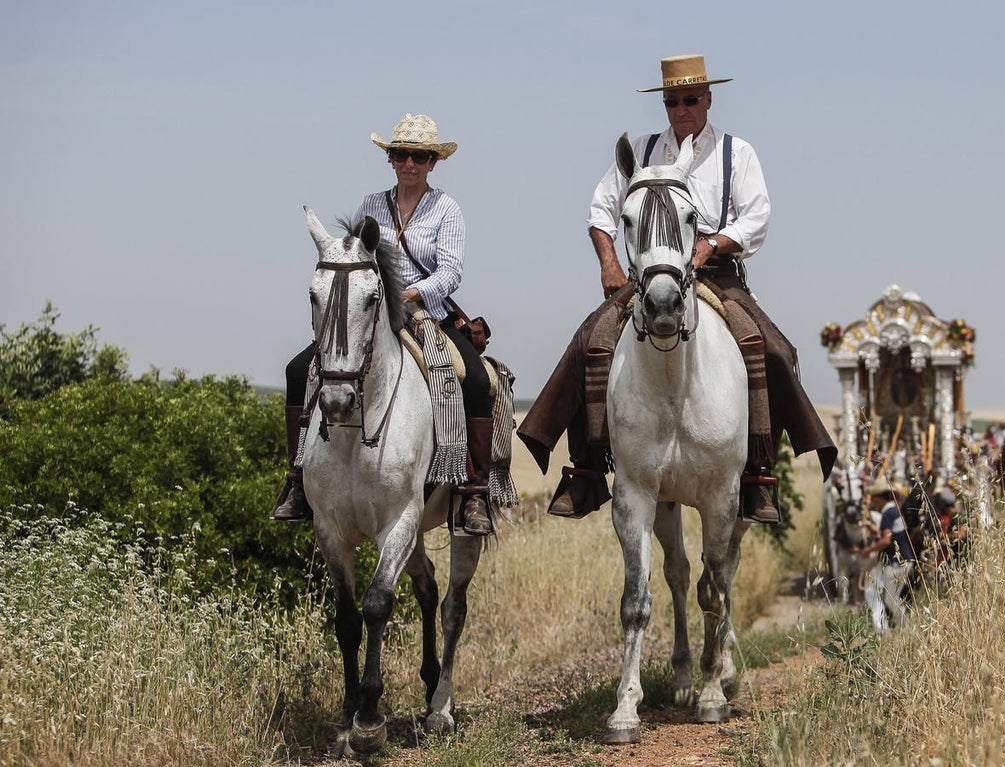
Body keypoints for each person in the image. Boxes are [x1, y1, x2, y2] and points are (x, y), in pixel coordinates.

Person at [517, 54, 836, 524]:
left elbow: (756, 217)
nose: (682, 108)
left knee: (771, 349)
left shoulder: (736, 153)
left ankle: (760, 474)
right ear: (664, 104)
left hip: (717, 273)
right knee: (591, 340)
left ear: (708, 99)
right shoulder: (641, 152)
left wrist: (709, 247)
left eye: (690, 99)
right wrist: (609, 263)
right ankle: (585, 468)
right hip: (651, 273)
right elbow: (601, 210)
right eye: (673, 101)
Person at [270, 113, 496, 536]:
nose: (409, 163)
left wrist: (411, 294)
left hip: (424, 312)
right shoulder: (371, 206)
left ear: (433, 162)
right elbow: (356, 259)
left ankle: (473, 491)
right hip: (370, 312)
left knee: (476, 381)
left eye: (419, 156)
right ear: (390, 159)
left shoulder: (447, 209)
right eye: (400, 154)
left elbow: (450, 273)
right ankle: (298, 479)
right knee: (298, 370)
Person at [859, 478, 914, 634]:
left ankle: (903, 629)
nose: (872, 501)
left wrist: (869, 550)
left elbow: (885, 540)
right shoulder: (894, 510)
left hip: (896, 563)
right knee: (891, 598)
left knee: (889, 599)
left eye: (873, 497)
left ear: (878, 497)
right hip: (905, 561)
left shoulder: (887, 513)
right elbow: (891, 534)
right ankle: (901, 629)